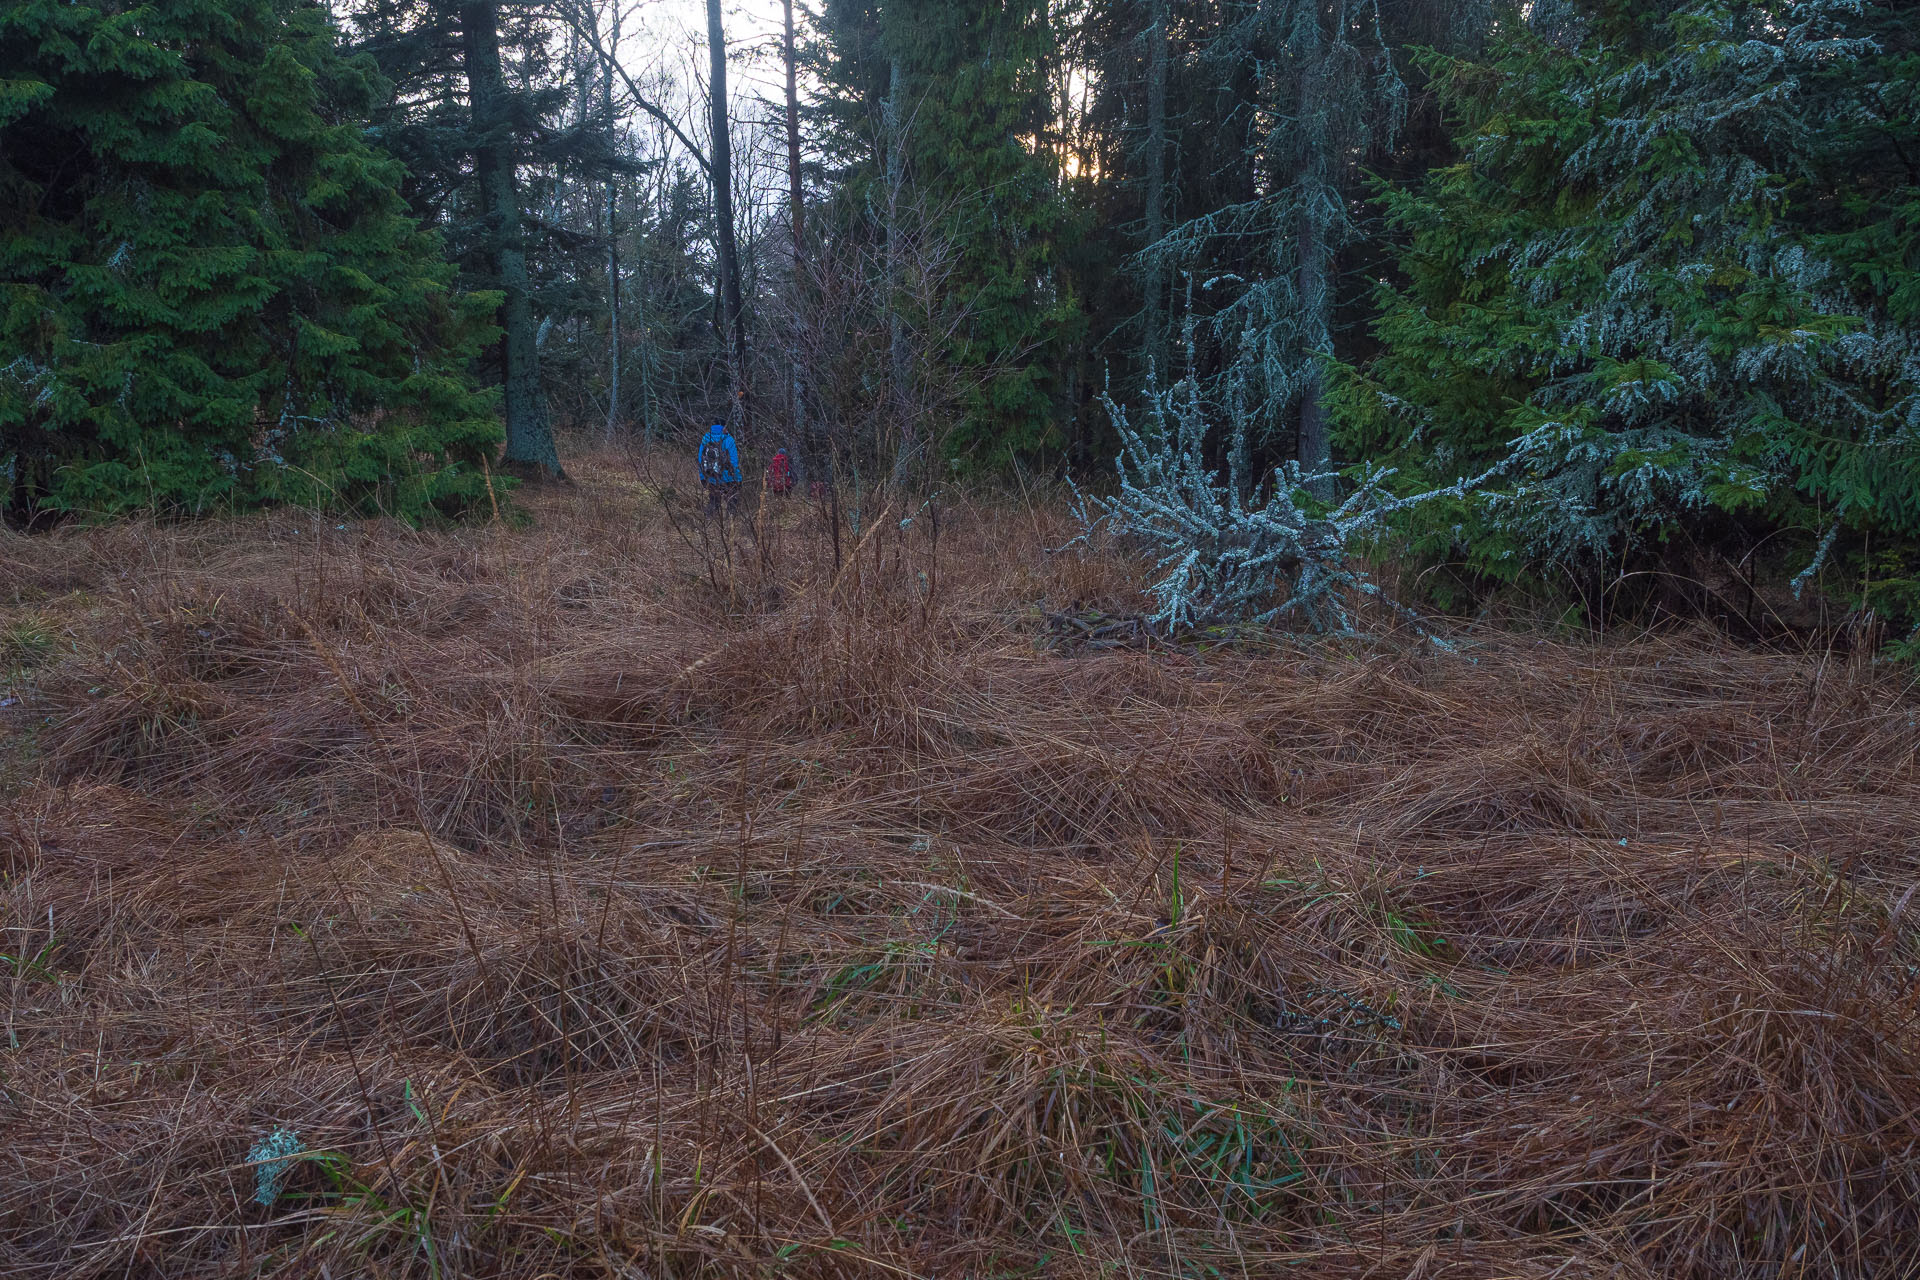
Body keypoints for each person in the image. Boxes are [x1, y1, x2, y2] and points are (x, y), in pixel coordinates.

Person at [696, 422, 741, 516]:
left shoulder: (706, 439)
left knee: (714, 500)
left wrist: (703, 477)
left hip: (710, 477)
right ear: (724, 427)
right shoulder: (728, 439)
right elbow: (733, 461)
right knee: (732, 501)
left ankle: (708, 523)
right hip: (728, 478)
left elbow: (700, 459)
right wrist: (737, 478)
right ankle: (731, 524)